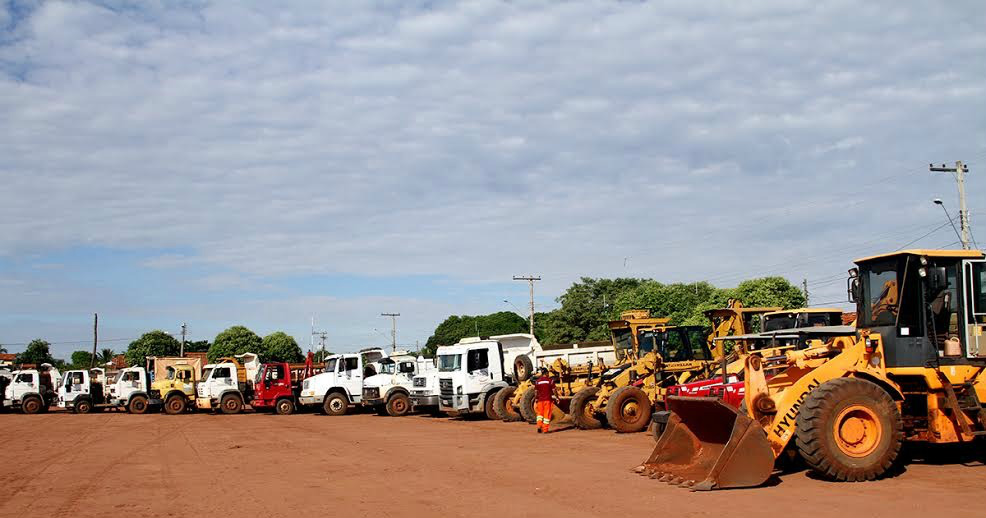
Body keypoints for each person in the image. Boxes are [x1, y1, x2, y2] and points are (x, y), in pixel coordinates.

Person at [534, 367, 556, 434]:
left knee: (540, 414)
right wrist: (557, 397)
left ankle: (539, 426)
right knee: (547, 415)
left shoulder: (537, 381)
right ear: (546, 373)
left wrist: (536, 398)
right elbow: (554, 390)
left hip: (540, 401)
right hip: (547, 400)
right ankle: (545, 429)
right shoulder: (550, 381)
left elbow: (535, 391)